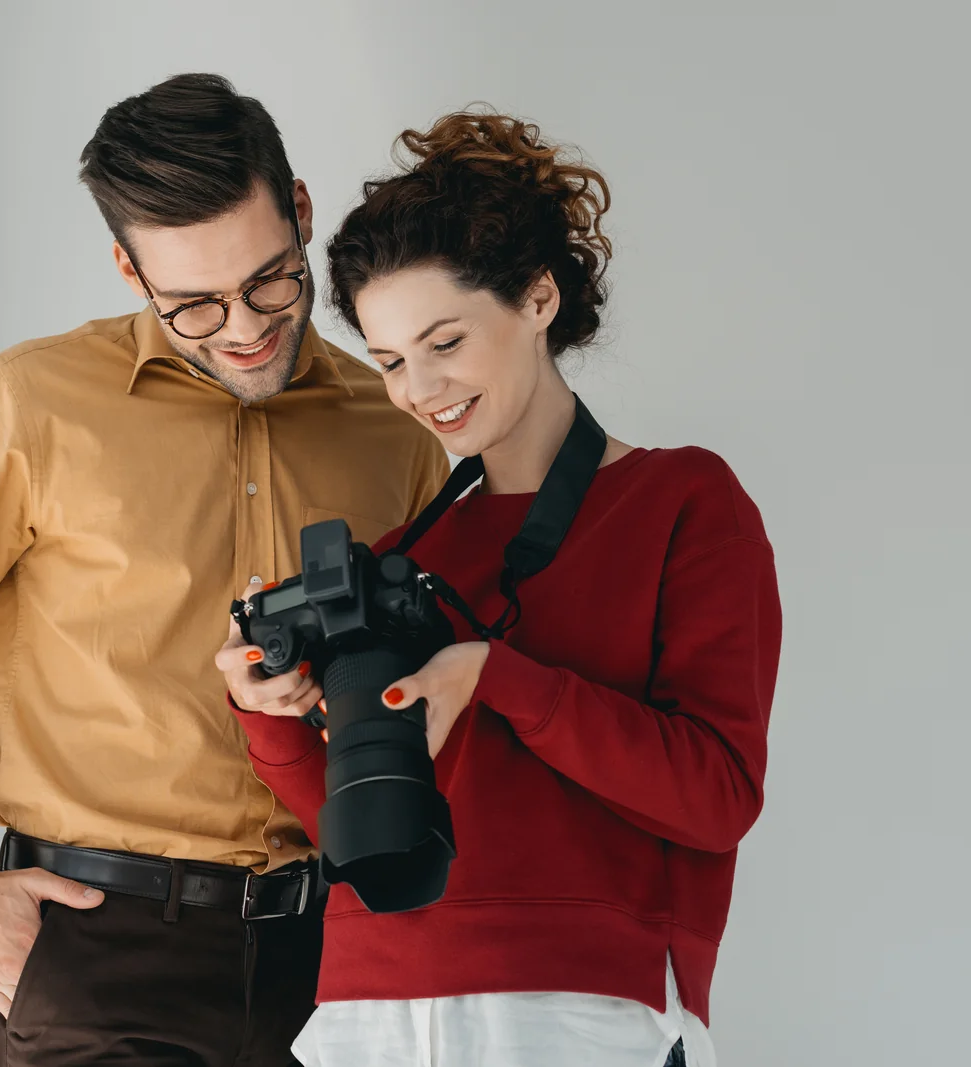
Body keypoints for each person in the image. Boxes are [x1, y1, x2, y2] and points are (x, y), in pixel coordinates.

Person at [0, 73, 447, 1066]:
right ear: (126, 269)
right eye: (193, 304)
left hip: (337, 958)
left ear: (303, 212)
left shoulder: (394, 428)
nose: (244, 326)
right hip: (98, 953)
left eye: (272, 278)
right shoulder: (26, 405)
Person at [218, 112, 782, 1067]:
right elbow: (362, 832)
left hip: (582, 1013)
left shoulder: (684, 500)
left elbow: (716, 795)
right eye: (391, 360)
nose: (420, 388)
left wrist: (498, 676)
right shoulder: (397, 557)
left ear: (536, 298)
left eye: (445, 341)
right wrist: (266, 712)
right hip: (369, 1011)